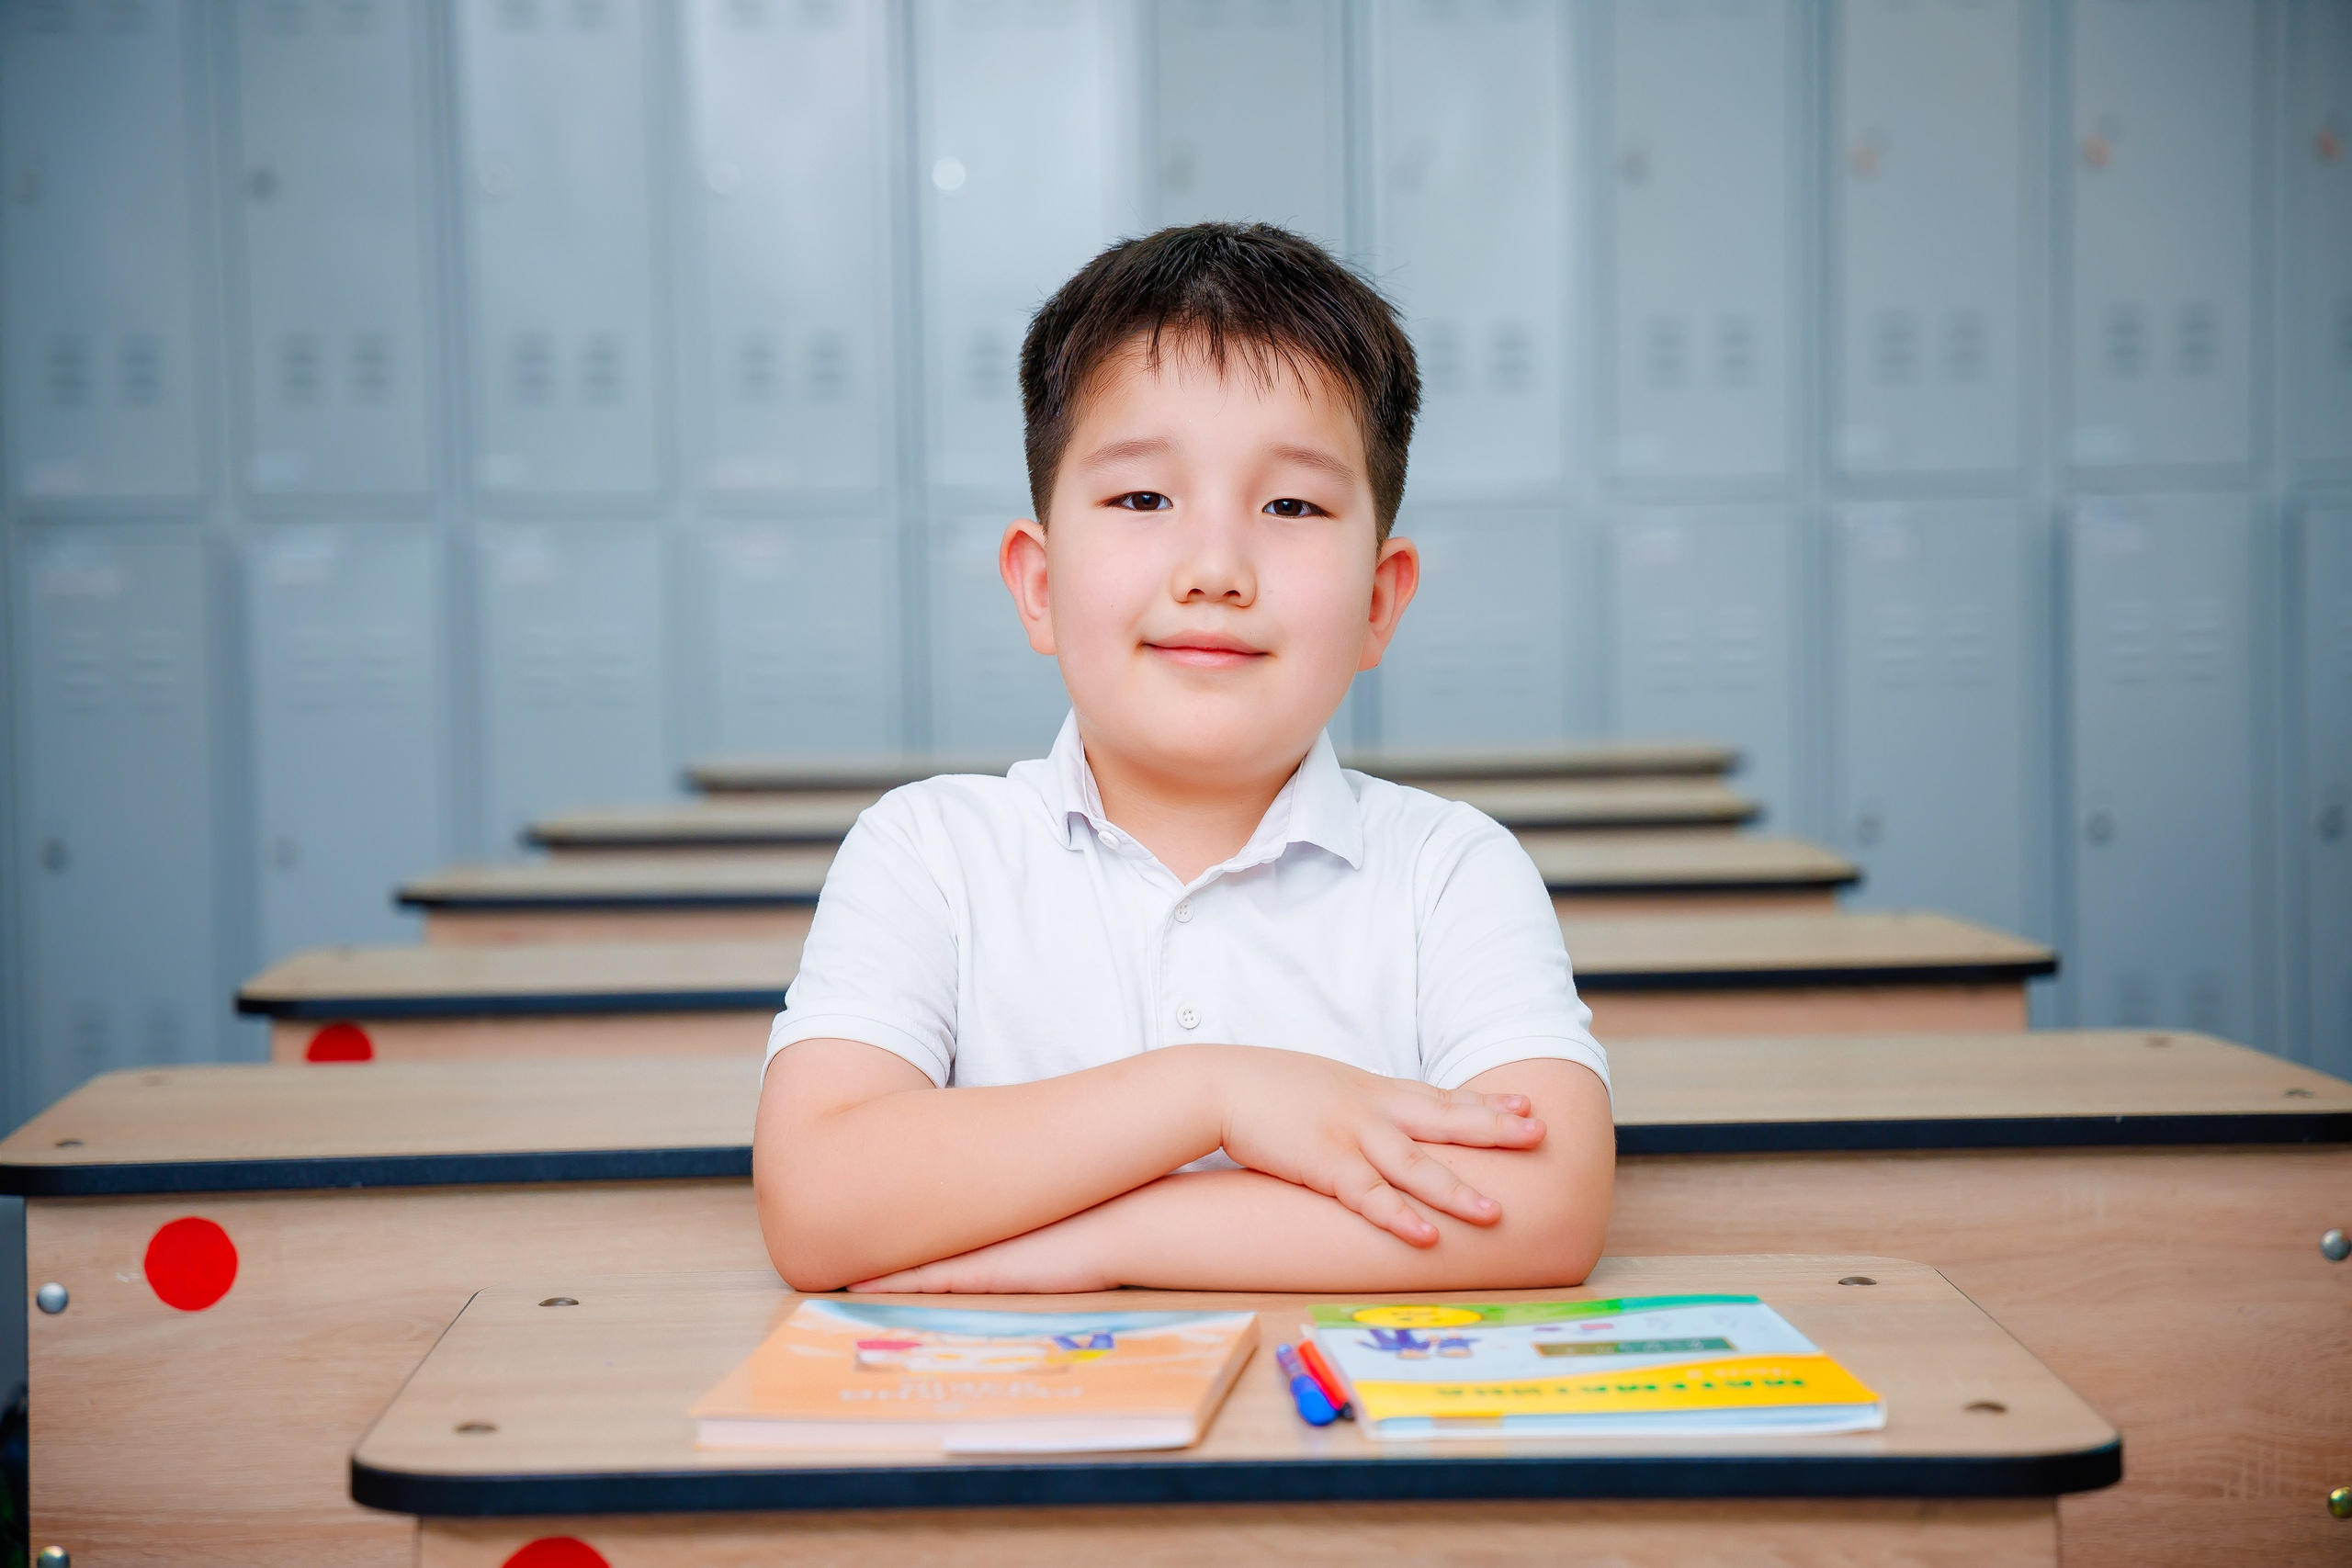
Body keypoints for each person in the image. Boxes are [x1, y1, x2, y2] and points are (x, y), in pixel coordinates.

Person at [755, 222, 1613, 1294]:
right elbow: (818, 1201)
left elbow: (1546, 1208)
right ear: (1037, 584)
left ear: (1379, 604)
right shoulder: (929, 853)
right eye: (1142, 499)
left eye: (1291, 506)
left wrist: (1095, 1244)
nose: (1214, 568)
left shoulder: (1450, 871)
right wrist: (1213, 1094)